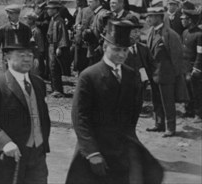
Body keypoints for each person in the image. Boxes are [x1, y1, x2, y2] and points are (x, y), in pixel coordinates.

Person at [65, 20, 164, 184]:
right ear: (105, 47)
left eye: (125, 50)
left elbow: (133, 114)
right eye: (116, 49)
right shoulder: (89, 76)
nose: (121, 54)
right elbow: (79, 117)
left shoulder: (132, 75)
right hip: (95, 150)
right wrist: (91, 153)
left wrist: (128, 141)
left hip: (121, 149)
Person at [0, 30, 51, 184]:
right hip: (9, 155)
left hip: (37, 156)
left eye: (30, 54)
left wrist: (42, 145)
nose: (27, 58)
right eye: (21, 55)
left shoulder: (38, 83)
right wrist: (4, 142)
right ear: (7, 57)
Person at [144, 7, 186, 137]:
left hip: (167, 74)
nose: (148, 19)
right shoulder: (151, 31)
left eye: (151, 16)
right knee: (156, 100)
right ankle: (159, 124)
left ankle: (171, 127)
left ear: (158, 17)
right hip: (154, 74)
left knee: (168, 102)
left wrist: (177, 75)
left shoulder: (170, 34)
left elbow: (177, 56)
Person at [0, 4, 32, 75]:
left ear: (18, 14)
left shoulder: (26, 29)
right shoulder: (3, 29)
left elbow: (29, 45)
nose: (8, 16)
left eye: (11, 13)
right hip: (8, 61)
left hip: (21, 60)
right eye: (7, 13)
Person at [179, 8, 202, 120]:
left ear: (190, 20)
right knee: (187, 89)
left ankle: (198, 113)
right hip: (185, 66)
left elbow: (200, 53)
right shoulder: (185, 32)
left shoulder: (199, 34)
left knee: (196, 90)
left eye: (184, 19)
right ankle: (189, 110)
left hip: (194, 67)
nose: (182, 21)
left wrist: (197, 68)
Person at [47, 0, 70, 97]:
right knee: (51, 68)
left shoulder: (59, 21)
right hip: (51, 46)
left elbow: (63, 35)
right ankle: (54, 88)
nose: (48, 11)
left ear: (56, 10)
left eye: (50, 9)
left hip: (56, 46)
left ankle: (58, 90)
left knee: (55, 68)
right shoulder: (53, 19)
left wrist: (60, 47)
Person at [83, 0, 110, 66]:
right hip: (94, 48)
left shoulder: (104, 14)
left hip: (99, 49)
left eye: (90, 2)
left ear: (98, 2)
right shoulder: (97, 13)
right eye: (88, 2)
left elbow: (107, 32)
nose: (88, 4)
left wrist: (101, 45)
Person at [72, 0, 94, 74]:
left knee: (83, 61)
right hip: (78, 38)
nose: (76, 2)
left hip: (84, 39)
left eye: (78, 0)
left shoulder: (88, 11)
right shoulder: (78, 9)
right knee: (78, 61)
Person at [32, 0, 50, 79]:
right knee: (37, 54)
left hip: (43, 36)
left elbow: (46, 23)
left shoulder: (46, 9)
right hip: (36, 34)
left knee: (42, 55)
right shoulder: (37, 7)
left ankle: (43, 73)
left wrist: (35, 22)